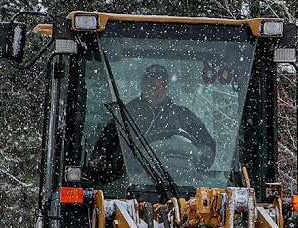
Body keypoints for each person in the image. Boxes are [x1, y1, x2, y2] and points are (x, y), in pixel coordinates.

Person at [86, 64, 217, 184]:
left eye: (163, 85)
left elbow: (207, 145)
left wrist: (201, 156)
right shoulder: (125, 115)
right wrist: (101, 161)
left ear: (168, 88)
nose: (158, 91)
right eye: (153, 85)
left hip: (183, 185)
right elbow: (103, 149)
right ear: (142, 86)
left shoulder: (183, 116)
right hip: (134, 185)